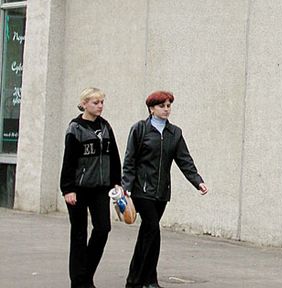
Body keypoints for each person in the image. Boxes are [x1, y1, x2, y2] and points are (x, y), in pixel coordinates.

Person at [122, 90, 208, 288]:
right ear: (151, 109)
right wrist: (126, 187)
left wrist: (197, 181)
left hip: (161, 192)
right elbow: (130, 160)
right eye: (162, 106)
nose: (166, 109)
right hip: (142, 190)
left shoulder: (174, 133)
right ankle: (145, 280)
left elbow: (184, 160)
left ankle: (138, 279)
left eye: (169, 106)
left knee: (147, 234)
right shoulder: (140, 129)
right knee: (152, 230)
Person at [60, 87, 122, 288]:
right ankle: (79, 282)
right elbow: (69, 161)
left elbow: (114, 157)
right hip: (78, 188)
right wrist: (67, 189)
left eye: (102, 102)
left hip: (100, 188)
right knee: (79, 234)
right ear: (84, 104)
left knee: (103, 228)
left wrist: (117, 183)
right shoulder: (75, 128)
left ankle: (86, 275)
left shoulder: (105, 126)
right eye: (96, 103)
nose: (100, 106)